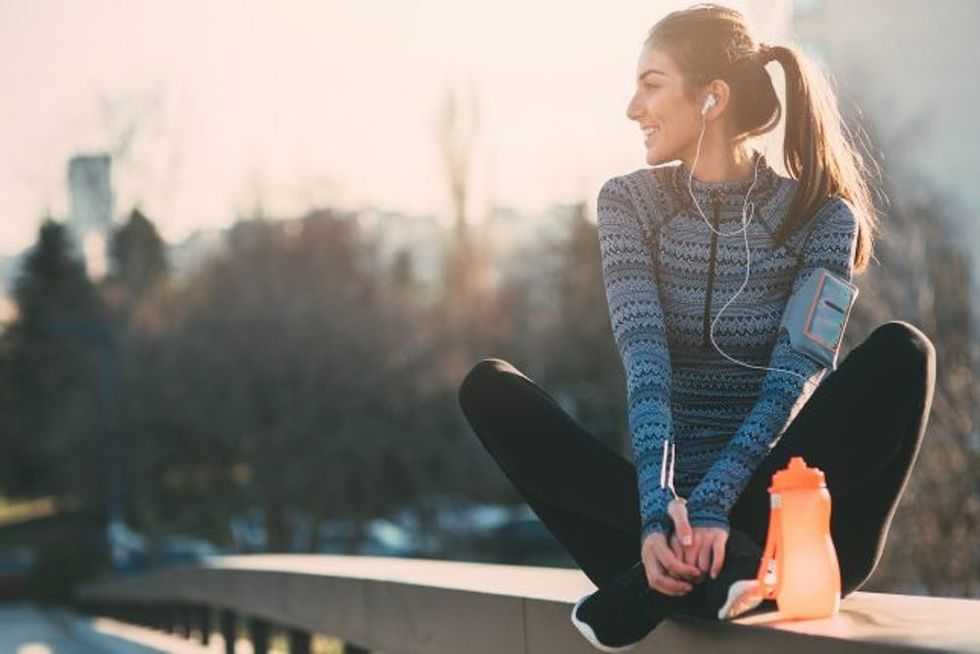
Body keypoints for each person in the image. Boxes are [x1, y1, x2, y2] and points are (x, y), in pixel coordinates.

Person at [457, 3, 936, 651]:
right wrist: (660, 516)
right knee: (490, 388)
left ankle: (699, 572)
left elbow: (793, 379)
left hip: (790, 532)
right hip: (651, 535)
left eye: (651, 84)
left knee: (903, 353)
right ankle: (716, 571)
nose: (633, 108)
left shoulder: (821, 217)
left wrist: (714, 508)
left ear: (712, 97)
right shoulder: (629, 204)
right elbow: (647, 369)